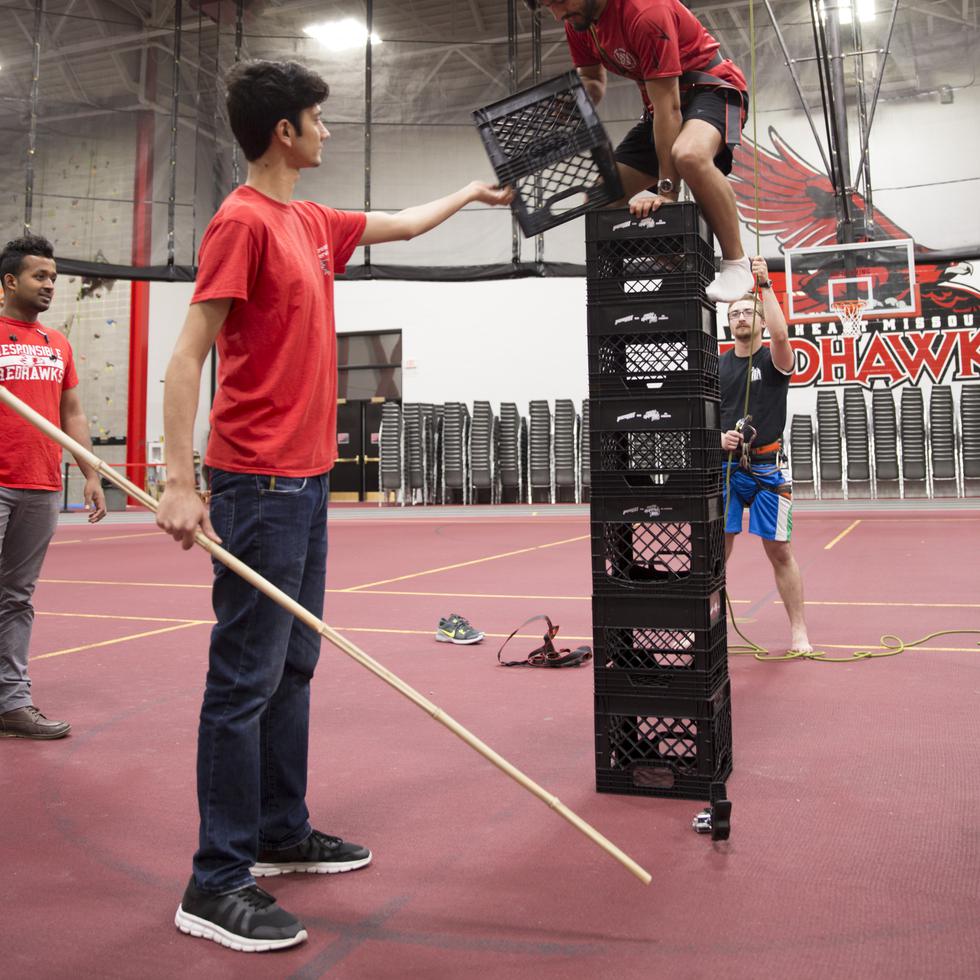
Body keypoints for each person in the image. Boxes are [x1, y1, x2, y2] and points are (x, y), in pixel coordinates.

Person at [155, 59, 513, 953]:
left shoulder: (311, 220)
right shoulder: (242, 224)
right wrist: (176, 478)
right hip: (258, 485)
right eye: (319, 119)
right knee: (242, 682)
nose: (329, 132)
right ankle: (216, 880)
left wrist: (471, 193)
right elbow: (186, 357)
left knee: (294, 668)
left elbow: (396, 222)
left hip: (308, 486)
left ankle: (279, 830)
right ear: (286, 132)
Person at [527, 0, 753, 302]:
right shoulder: (579, 21)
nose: (558, 15)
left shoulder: (645, 11)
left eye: (560, 1)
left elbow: (669, 107)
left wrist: (666, 192)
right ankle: (679, 266)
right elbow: (592, 79)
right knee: (600, 199)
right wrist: (574, 102)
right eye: (547, 6)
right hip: (660, 108)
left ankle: (736, 263)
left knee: (688, 155)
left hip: (711, 90)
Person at [0, 234, 107, 740]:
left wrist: (89, 472)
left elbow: (73, 412)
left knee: (17, 597)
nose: (49, 286)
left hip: (41, 485)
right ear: (9, 281)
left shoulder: (56, 343)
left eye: (53, 279)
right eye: (40, 276)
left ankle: (11, 703)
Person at [720, 256, 812, 654]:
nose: (741, 317)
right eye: (734, 312)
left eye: (747, 311)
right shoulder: (717, 366)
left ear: (759, 320)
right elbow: (705, 418)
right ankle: (710, 629)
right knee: (715, 551)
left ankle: (799, 633)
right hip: (725, 469)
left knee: (779, 551)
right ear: (729, 323)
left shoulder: (775, 362)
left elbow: (781, 335)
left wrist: (766, 287)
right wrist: (716, 439)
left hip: (768, 469)